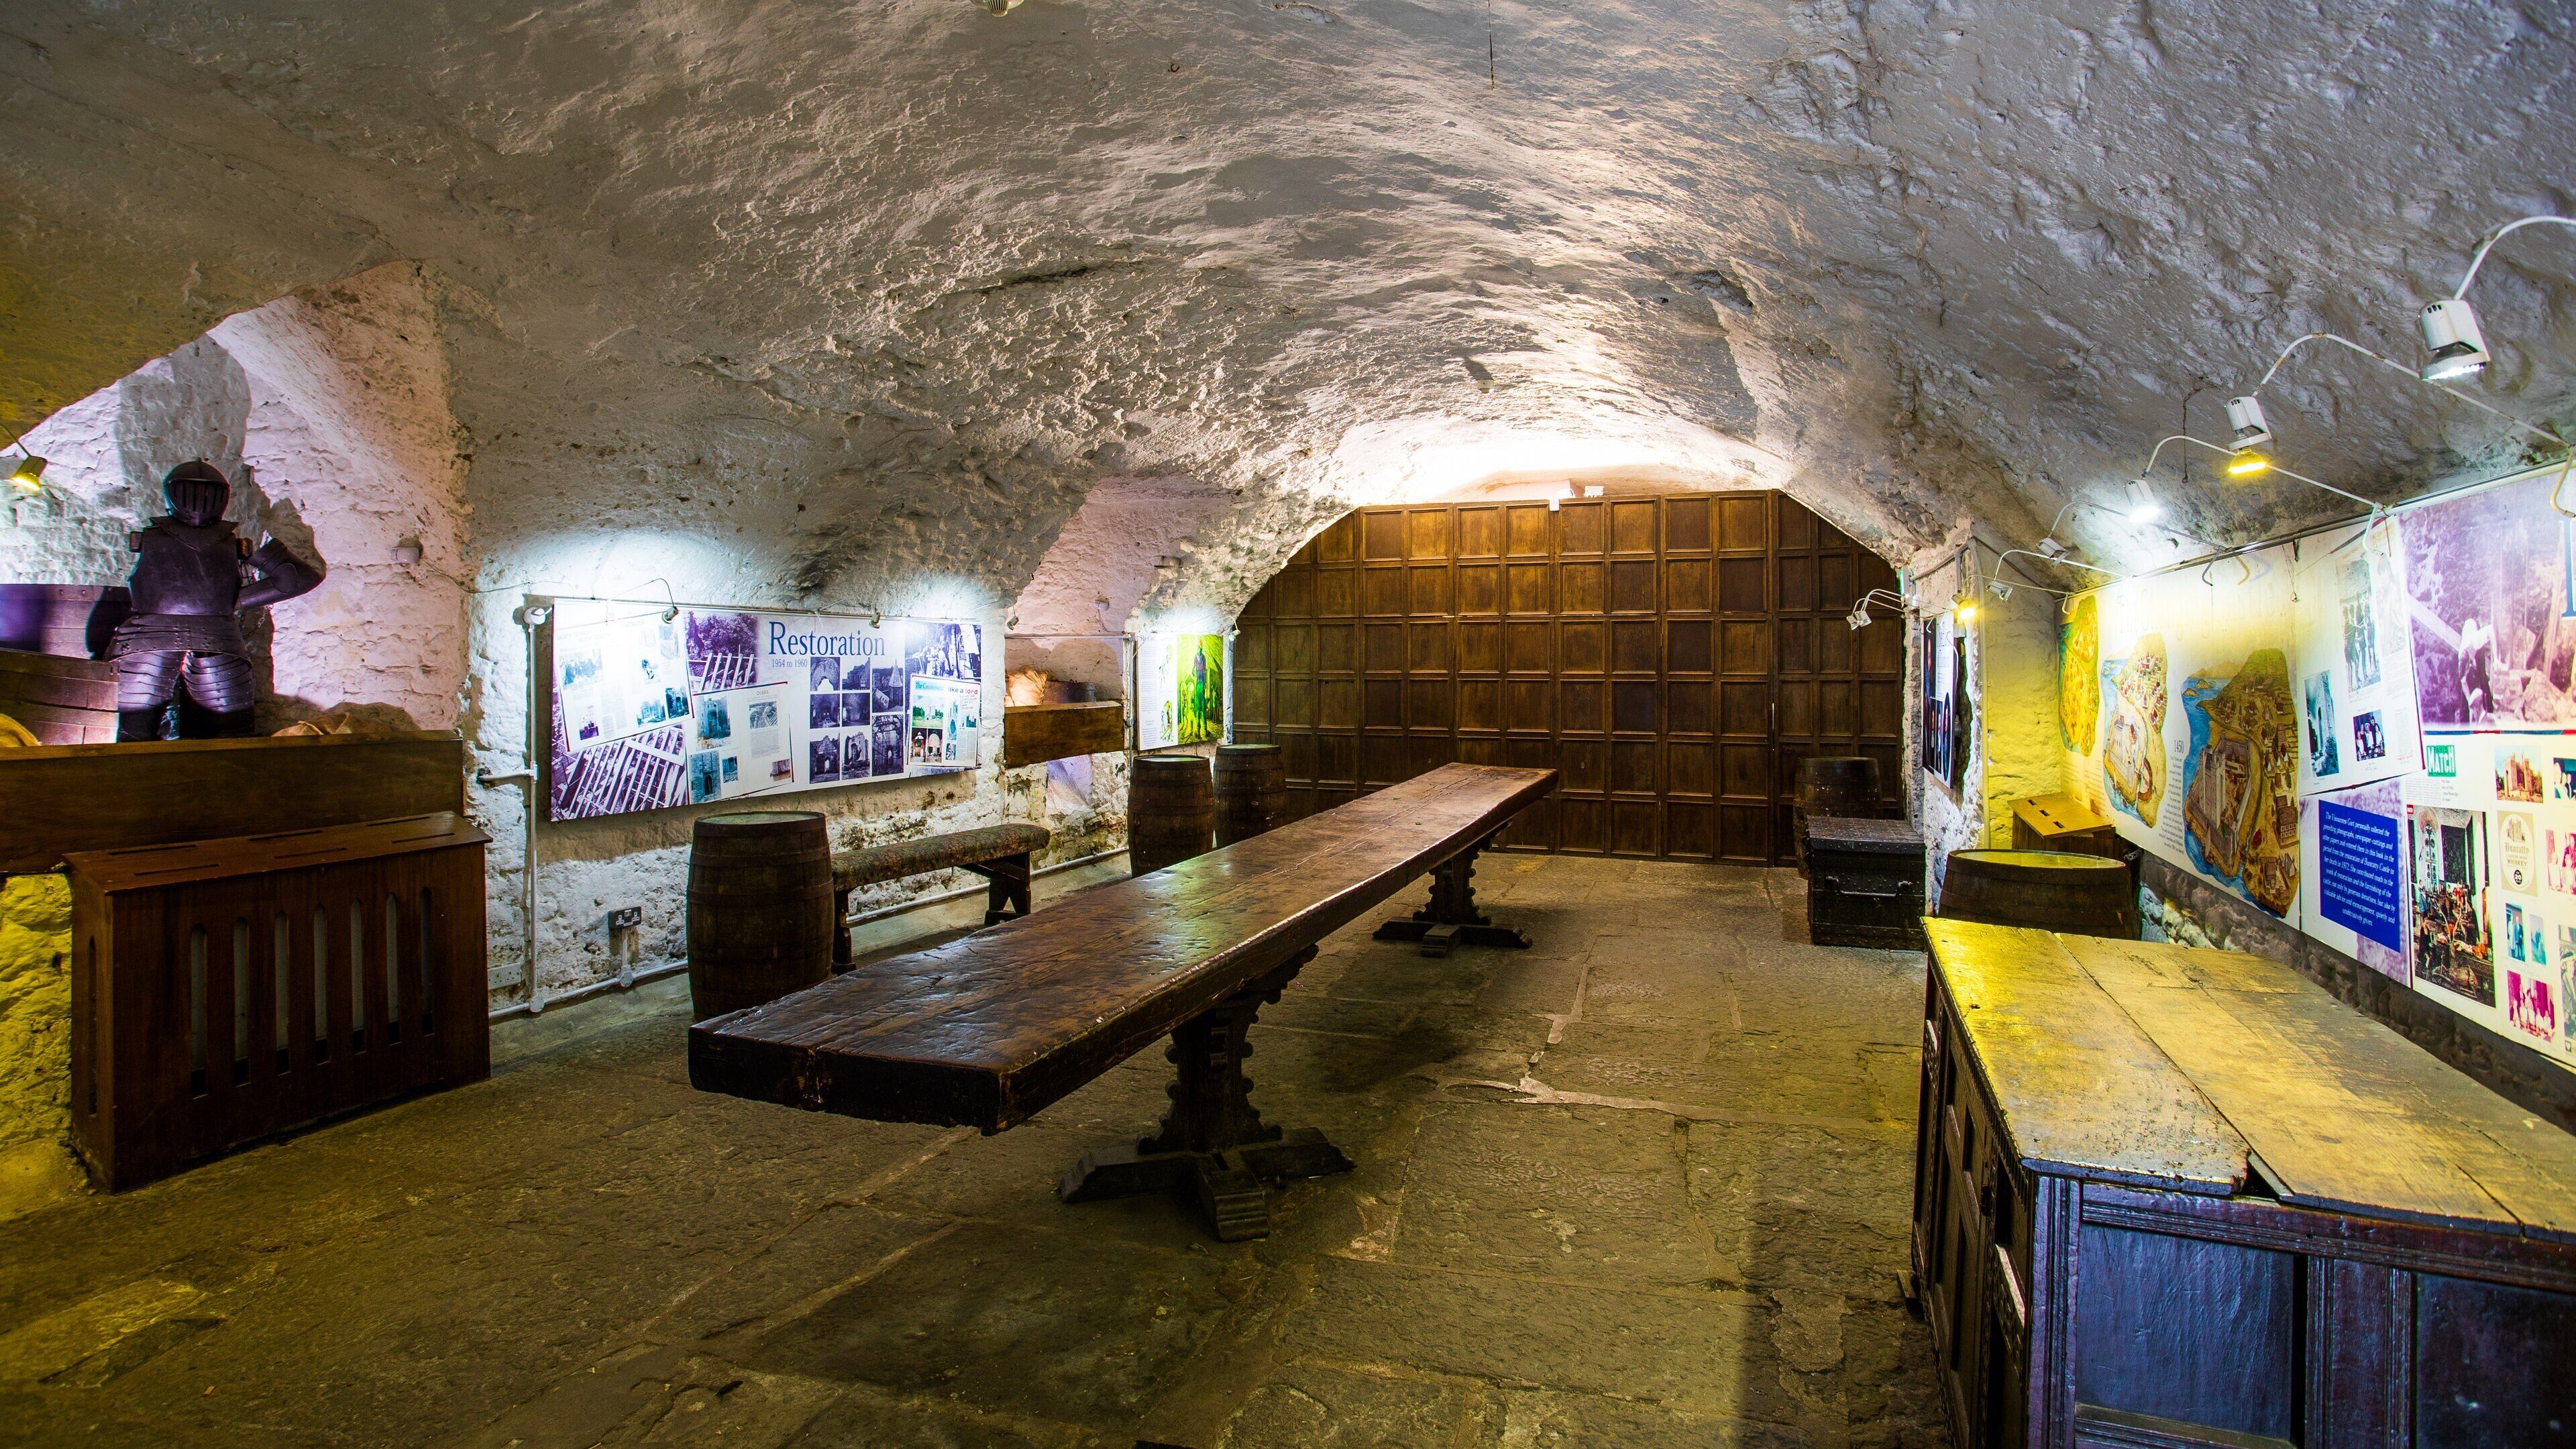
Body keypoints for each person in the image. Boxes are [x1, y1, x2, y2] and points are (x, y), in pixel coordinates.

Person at [110, 460, 323, 740]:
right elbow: (299, 578)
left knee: (133, 737)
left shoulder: (145, 539)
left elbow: (302, 579)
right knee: (227, 739)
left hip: (149, 639)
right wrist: (236, 600)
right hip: (218, 640)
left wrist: (235, 600)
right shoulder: (236, 544)